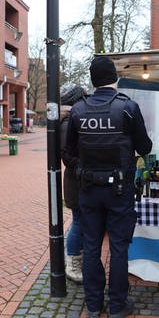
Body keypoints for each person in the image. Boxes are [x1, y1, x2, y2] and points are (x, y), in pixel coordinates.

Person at [65, 55, 152, 318]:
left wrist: (84, 169)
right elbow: (145, 147)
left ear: (92, 81)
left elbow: (68, 153)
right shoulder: (128, 108)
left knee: (91, 246)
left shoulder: (78, 110)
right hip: (119, 191)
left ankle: (93, 305)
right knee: (118, 248)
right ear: (115, 78)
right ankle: (117, 306)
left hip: (89, 190)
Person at [60, 83, 86, 283]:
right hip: (76, 182)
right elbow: (67, 156)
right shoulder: (69, 123)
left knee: (82, 222)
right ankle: (72, 262)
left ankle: (78, 257)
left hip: (78, 180)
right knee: (78, 222)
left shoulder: (73, 119)